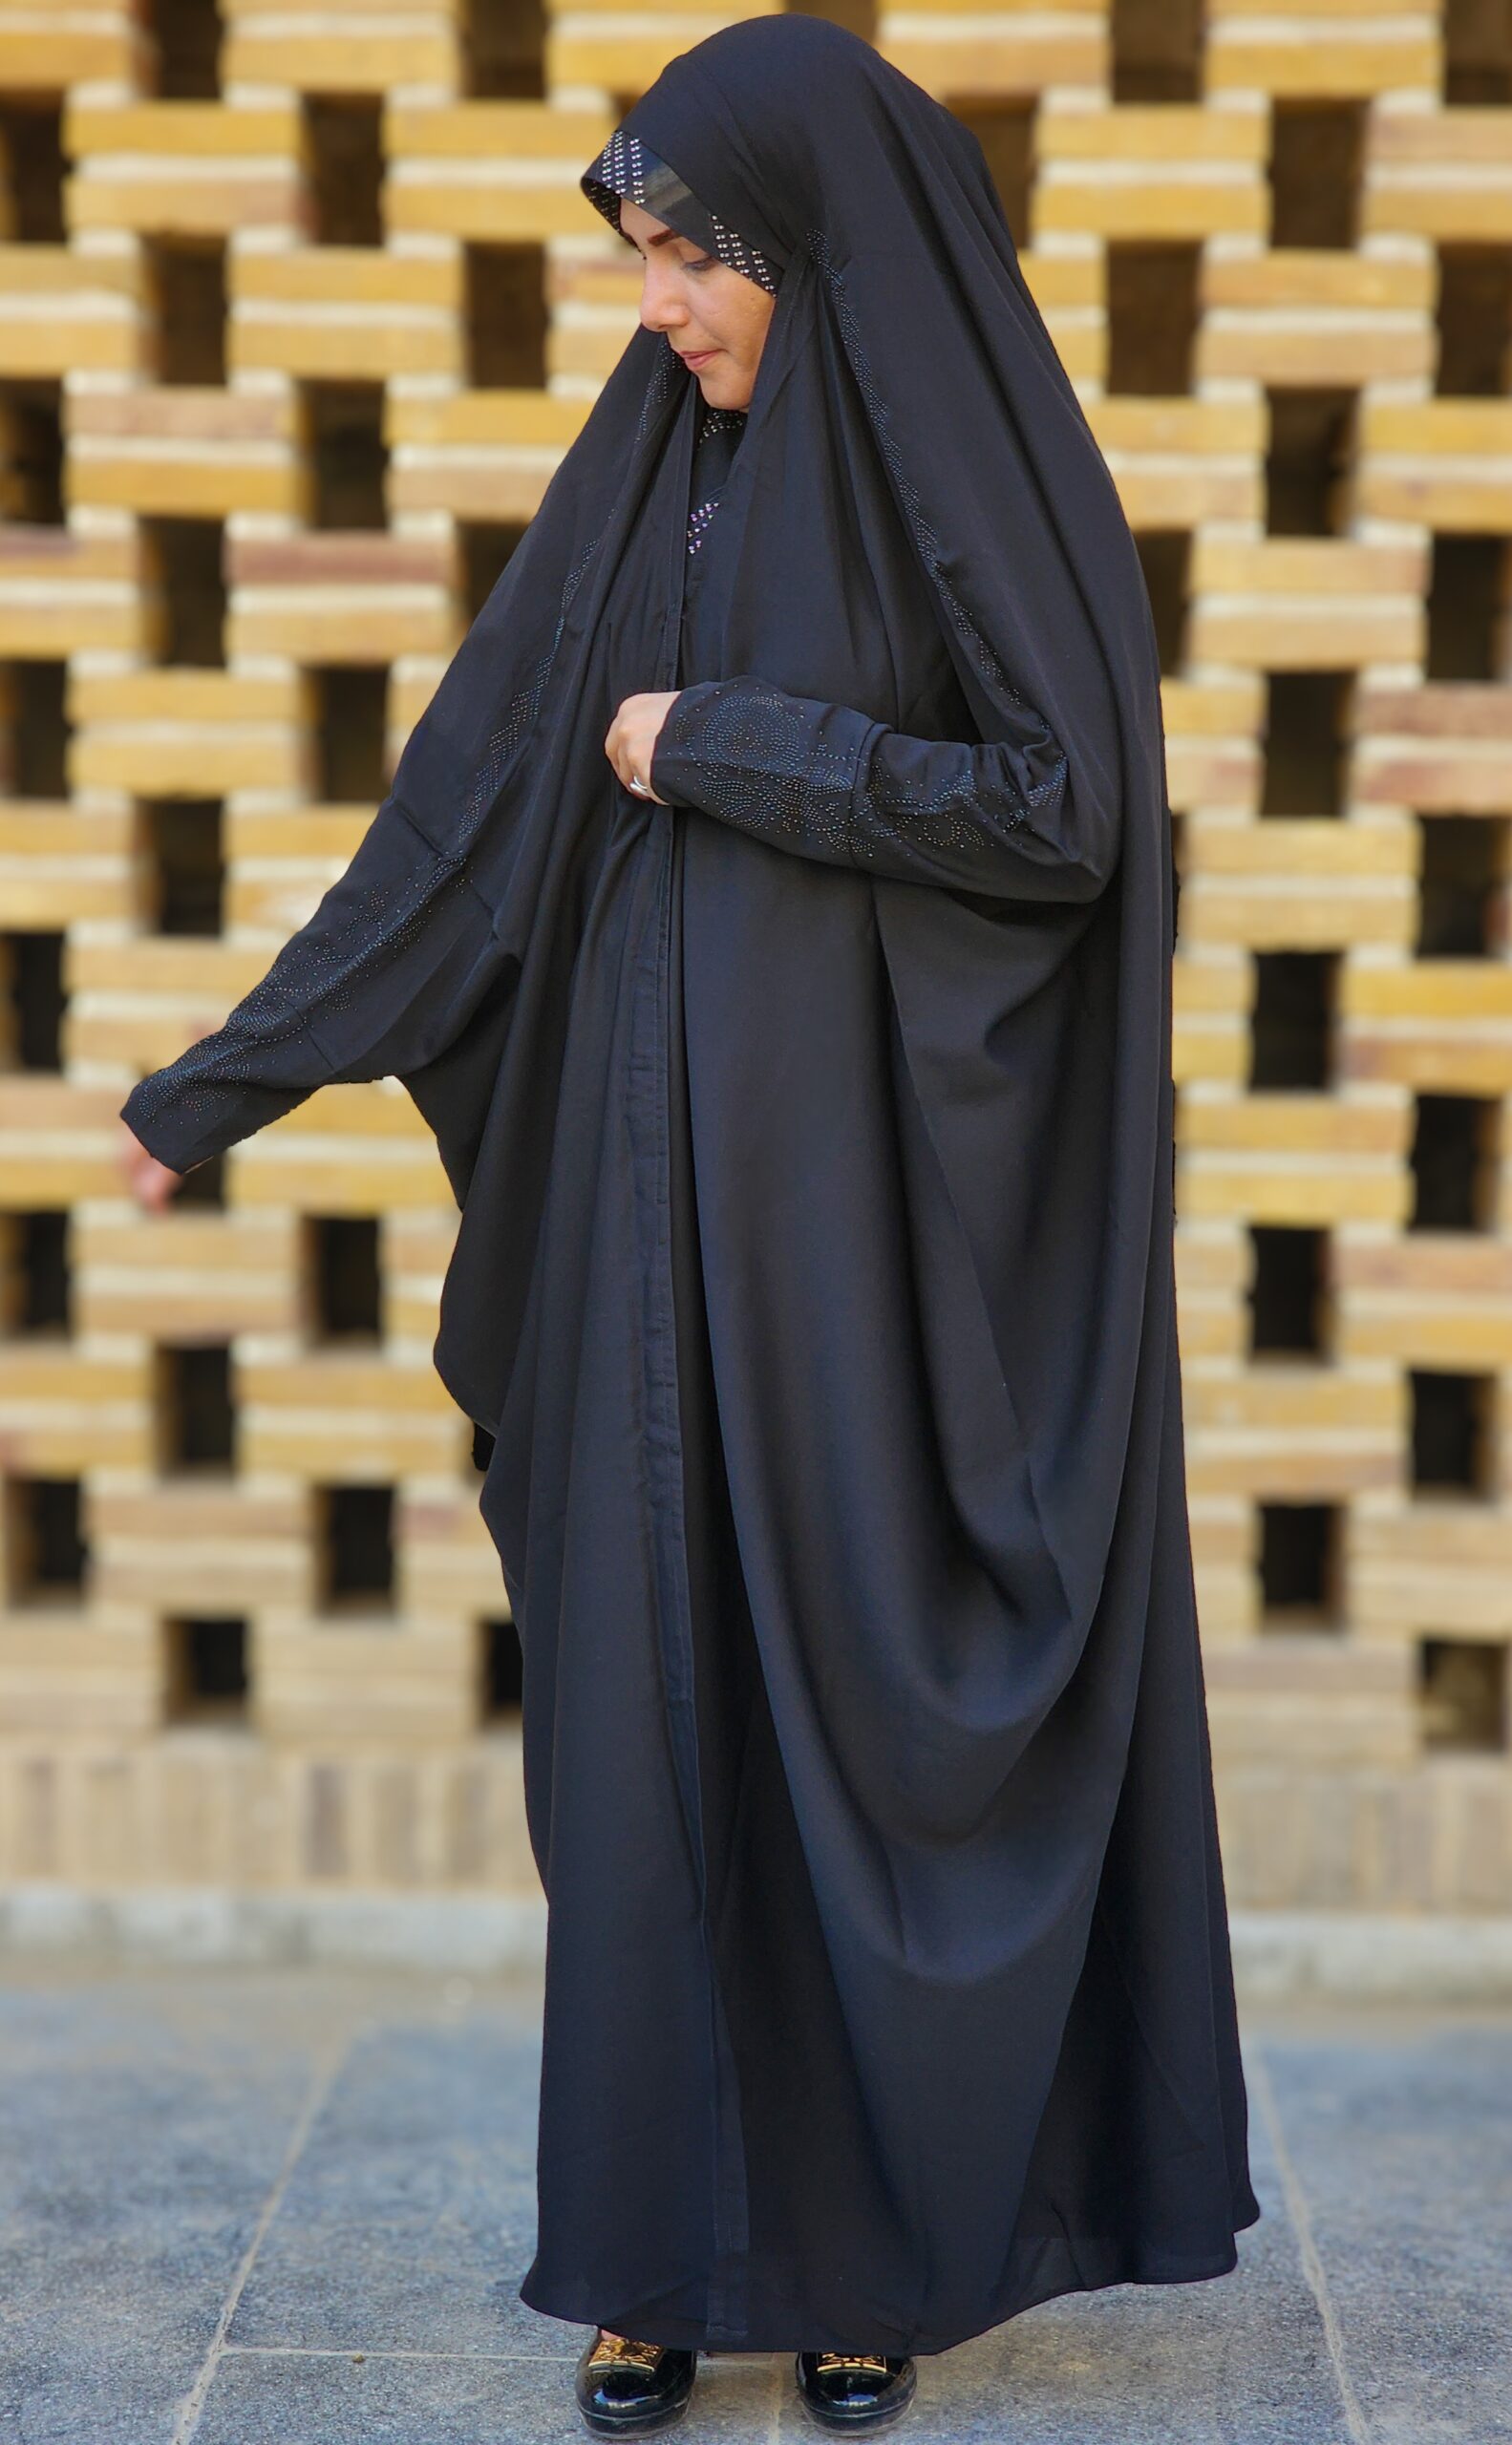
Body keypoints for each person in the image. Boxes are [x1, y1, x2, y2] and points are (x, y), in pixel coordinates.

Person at [119, 16, 1261, 2437]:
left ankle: (862, 2268)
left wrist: (729, 741)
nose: (656, 303)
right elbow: (473, 797)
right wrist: (226, 1078)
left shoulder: (967, 471)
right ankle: (651, 2261)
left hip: (863, 1245)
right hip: (639, 1230)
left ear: (821, 253)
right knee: (645, 1735)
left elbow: (1059, 809)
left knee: (847, 1717)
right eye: (640, 253)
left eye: (695, 255)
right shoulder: (652, 464)